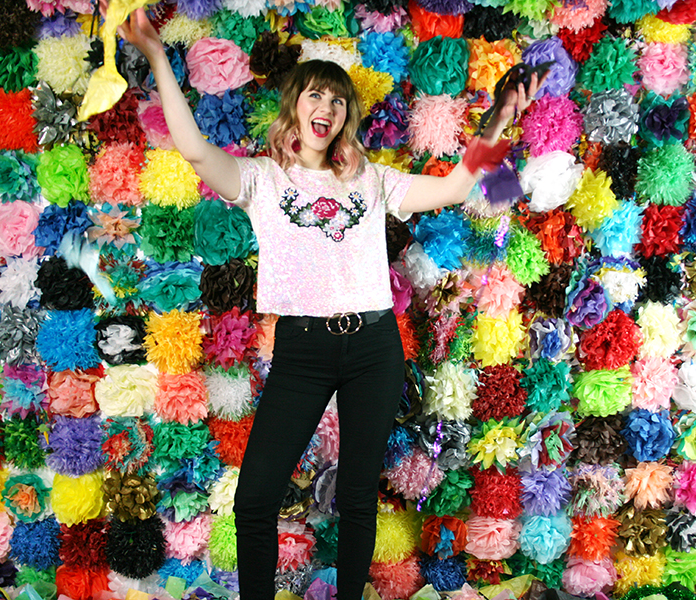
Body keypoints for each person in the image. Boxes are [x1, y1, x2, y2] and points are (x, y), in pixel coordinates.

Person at [110, 5, 545, 600]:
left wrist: (500, 118)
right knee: (254, 498)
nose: (328, 107)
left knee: (358, 496)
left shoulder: (371, 178)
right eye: (316, 95)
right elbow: (192, 149)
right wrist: (159, 57)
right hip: (303, 349)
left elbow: (455, 186)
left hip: (373, 347)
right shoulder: (260, 179)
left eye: (338, 101)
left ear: (345, 118)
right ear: (295, 107)